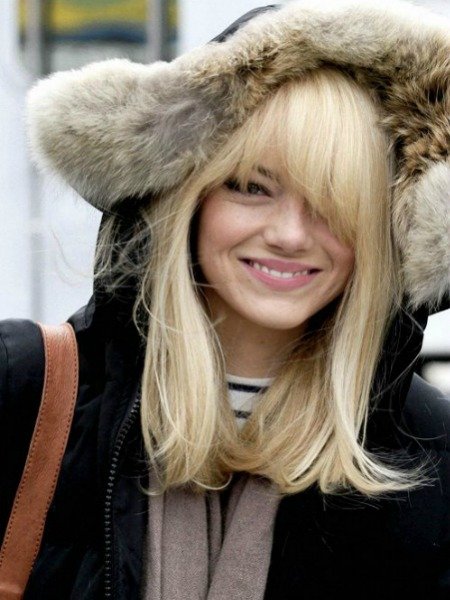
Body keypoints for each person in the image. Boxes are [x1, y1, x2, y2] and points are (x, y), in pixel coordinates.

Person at [1, 0, 449, 598]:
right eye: (251, 188)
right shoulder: (21, 388)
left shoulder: (432, 451)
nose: (289, 234)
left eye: (335, 203)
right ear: (192, 196)